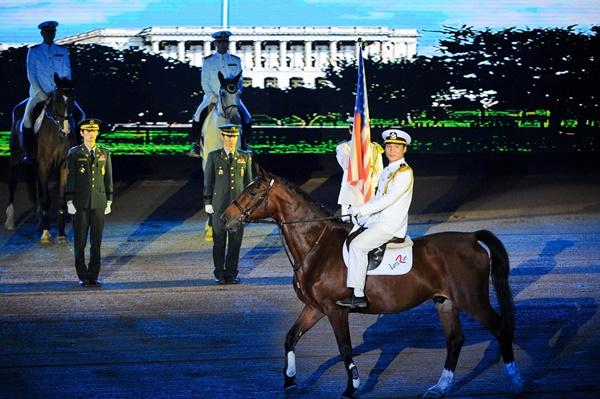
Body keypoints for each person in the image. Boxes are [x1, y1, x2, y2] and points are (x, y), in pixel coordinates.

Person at [336, 129, 414, 308]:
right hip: (377, 220)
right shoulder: (388, 170)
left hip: (389, 225)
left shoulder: (404, 173)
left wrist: (362, 211)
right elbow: (378, 197)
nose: (391, 150)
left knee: (357, 246)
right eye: (389, 146)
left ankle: (358, 295)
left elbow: (387, 200)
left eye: (396, 147)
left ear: (404, 150)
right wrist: (358, 212)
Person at [65, 119, 113, 287]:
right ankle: (82, 276)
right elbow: (70, 178)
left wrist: (109, 200)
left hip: (99, 202)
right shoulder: (74, 153)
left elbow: (108, 179)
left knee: (96, 242)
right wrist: (69, 200)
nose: (91, 134)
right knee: (80, 242)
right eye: (87, 131)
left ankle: (93, 275)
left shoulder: (104, 152)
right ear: (82, 133)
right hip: (80, 203)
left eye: (94, 131)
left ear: (97, 133)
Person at [203, 123, 253, 284]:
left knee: (235, 242)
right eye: (228, 136)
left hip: (237, 209)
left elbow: (249, 184)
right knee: (219, 242)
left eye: (234, 137)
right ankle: (219, 273)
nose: (231, 140)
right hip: (219, 207)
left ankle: (231, 274)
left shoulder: (245, 157)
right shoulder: (213, 156)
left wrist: (249, 206)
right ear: (222, 137)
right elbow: (208, 181)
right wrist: (207, 201)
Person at [189, 30, 251, 157]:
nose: (223, 45)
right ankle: (195, 145)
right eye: (220, 42)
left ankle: (246, 144)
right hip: (212, 97)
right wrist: (213, 97)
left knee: (247, 117)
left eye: (225, 42)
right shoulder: (208, 61)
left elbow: (239, 80)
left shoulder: (236, 60)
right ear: (215, 43)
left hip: (231, 98)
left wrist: (235, 94)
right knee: (197, 116)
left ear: (228, 43)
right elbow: (205, 81)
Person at [20, 20, 71, 164]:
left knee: (80, 115)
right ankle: (28, 152)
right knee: (27, 120)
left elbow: (67, 73)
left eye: (53, 32)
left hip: (60, 95)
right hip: (39, 94)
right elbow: (31, 74)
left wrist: (65, 90)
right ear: (42, 33)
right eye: (48, 32)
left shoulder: (62, 51)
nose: (50, 34)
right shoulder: (34, 51)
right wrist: (41, 93)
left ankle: (75, 151)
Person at [336, 121, 384, 220]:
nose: (359, 134)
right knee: (347, 227)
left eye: (362, 130)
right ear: (350, 131)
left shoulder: (374, 148)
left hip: (367, 194)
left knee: (366, 226)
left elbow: (378, 171)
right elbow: (346, 165)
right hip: (349, 194)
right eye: (356, 131)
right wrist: (357, 148)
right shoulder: (343, 147)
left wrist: (370, 186)